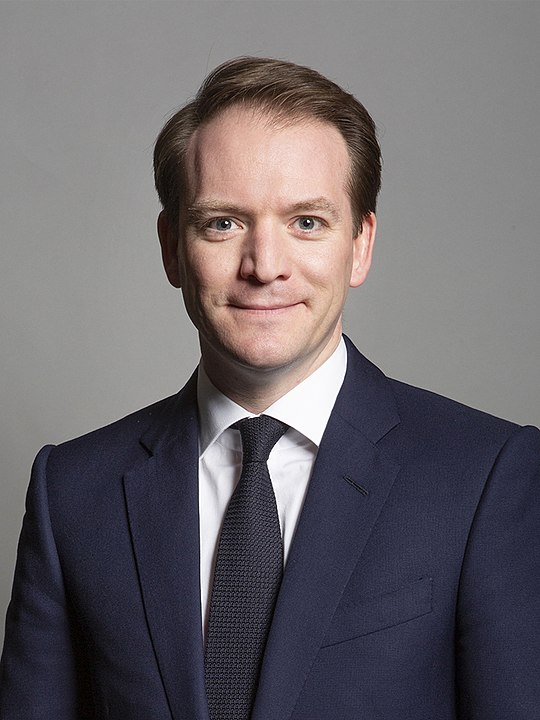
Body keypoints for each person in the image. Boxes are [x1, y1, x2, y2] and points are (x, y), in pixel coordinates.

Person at [1, 56, 539, 720]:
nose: (265, 266)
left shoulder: (484, 478)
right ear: (172, 248)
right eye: (223, 223)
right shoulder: (72, 492)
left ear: (360, 244)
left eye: (306, 222)